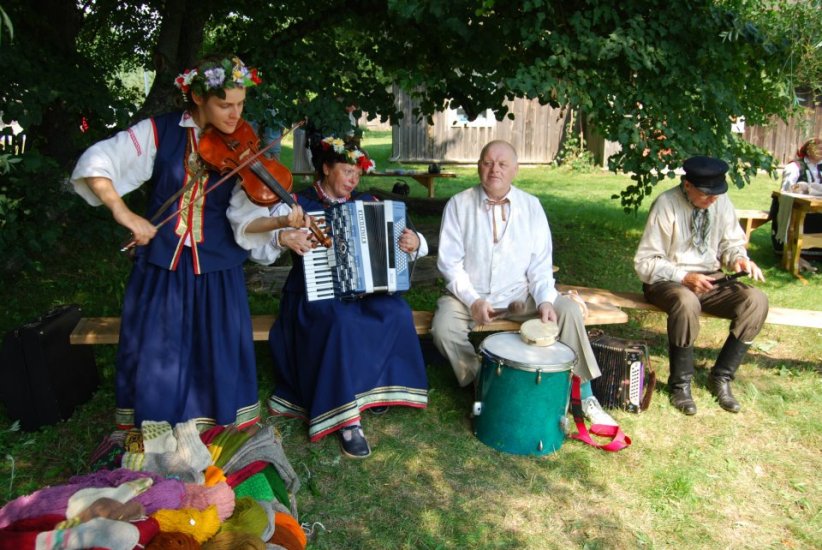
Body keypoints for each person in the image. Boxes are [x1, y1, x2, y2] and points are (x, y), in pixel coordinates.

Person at [70, 55, 308, 430]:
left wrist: (280, 220)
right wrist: (125, 213)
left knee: (217, 353)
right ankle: (155, 437)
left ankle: (216, 436)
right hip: (162, 267)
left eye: (240, 104)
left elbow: (245, 219)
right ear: (197, 97)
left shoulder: (244, 146)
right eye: (224, 104)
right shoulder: (159, 131)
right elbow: (97, 161)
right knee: (156, 355)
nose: (235, 114)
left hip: (217, 270)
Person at [244, 135, 429, 459]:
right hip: (311, 292)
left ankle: (375, 389)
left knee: (396, 311)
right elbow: (265, 245)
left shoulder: (368, 202)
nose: (353, 181)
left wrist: (415, 242)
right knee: (339, 321)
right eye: (347, 172)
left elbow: (407, 240)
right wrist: (286, 238)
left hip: (363, 291)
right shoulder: (298, 205)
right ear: (326, 168)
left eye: (357, 175)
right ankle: (348, 420)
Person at [430, 139, 616, 427]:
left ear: (515, 170)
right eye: (488, 163)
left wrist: (544, 300)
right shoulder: (459, 204)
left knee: (566, 309)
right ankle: (486, 384)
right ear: (479, 166)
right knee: (443, 327)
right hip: (470, 296)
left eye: (502, 164)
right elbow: (450, 265)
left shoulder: (531, 206)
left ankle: (584, 394)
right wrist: (472, 300)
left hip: (519, 295)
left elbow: (540, 265)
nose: (495, 170)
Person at [634, 155, 769, 415]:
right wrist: (684, 277)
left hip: (710, 279)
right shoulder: (666, 204)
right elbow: (645, 262)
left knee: (756, 301)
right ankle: (680, 384)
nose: (713, 199)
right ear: (687, 185)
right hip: (667, 280)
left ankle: (721, 377)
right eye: (707, 194)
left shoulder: (721, 202)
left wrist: (739, 259)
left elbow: (731, 243)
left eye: (718, 193)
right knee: (686, 302)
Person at [769, 137, 822, 263]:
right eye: (819, 148)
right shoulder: (795, 167)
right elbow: (786, 191)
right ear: (808, 150)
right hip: (796, 208)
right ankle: (796, 251)